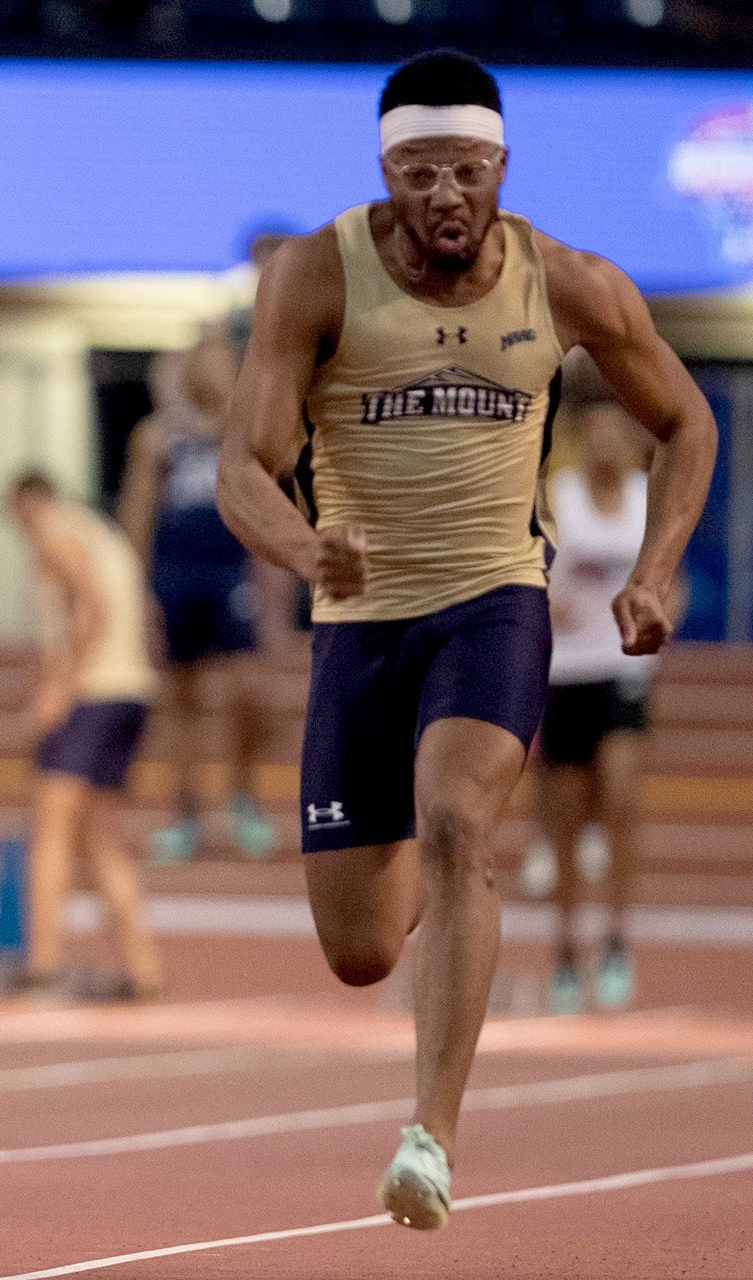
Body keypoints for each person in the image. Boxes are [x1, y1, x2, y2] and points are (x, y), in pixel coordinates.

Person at [216, 50, 715, 1231]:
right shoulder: (314, 274)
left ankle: (431, 1131)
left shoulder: (569, 283)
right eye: (422, 171)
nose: (447, 193)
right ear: (386, 172)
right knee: (359, 948)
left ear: (502, 169)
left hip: (494, 601)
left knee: (458, 819)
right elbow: (245, 463)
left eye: (470, 170)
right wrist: (302, 550)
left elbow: (686, 422)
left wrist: (654, 568)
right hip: (359, 622)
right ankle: (446, 901)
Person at [120, 329, 276, 863]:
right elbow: (138, 517)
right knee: (180, 701)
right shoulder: (159, 437)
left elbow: (267, 503)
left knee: (250, 695)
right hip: (175, 575)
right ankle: (186, 814)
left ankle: (243, 796)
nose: (218, 370)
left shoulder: (245, 431)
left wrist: (271, 586)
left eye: (226, 363)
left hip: (229, 573)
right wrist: (138, 594)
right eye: (207, 361)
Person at [8, 471, 162, 1002]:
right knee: (99, 838)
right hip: (131, 689)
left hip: (94, 693)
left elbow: (91, 606)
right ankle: (142, 969)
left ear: (25, 505)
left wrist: (59, 686)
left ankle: (44, 964)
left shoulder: (56, 532)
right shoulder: (102, 531)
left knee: (49, 825)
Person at [534, 401, 660, 1015]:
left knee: (619, 793)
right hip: (563, 670)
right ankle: (564, 949)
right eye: (595, 434)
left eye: (618, 432)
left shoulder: (645, 499)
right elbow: (529, 563)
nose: (606, 444)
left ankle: (616, 940)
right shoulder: (560, 495)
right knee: (563, 817)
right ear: (582, 441)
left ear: (633, 441)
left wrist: (661, 618)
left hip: (622, 668)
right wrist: (542, 602)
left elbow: (670, 575)